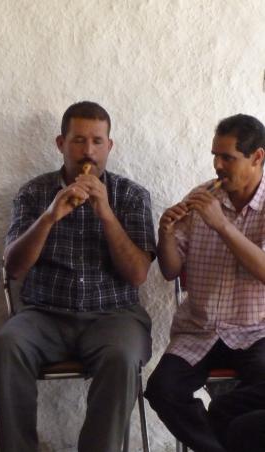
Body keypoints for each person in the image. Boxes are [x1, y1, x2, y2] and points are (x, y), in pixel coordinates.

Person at [0, 101, 156, 452]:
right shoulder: (33, 193)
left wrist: (107, 215)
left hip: (115, 315)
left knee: (122, 357)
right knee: (5, 347)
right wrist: (49, 216)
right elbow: (14, 268)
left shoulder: (131, 195)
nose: (88, 151)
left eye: (97, 141)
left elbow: (137, 274)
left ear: (109, 146)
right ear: (60, 143)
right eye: (79, 140)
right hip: (45, 314)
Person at [144, 113, 265, 452]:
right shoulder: (201, 196)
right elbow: (170, 271)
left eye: (228, 157)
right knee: (162, 390)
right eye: (215, 155)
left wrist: (222, 226)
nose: (218, 165)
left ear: (258, 157)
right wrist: (165, 233)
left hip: (256, 330)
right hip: (200, 329)